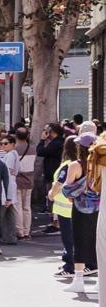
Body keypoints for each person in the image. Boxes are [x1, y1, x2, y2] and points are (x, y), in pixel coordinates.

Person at [57, 133, 99, 294]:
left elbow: (67, 190)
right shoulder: (100, 165)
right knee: (98, 242)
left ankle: (79, 279)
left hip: (80, 207)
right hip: (99, 207)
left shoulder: (76, 165)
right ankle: (100, 281)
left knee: (79, 241)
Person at [49, 136, 78, 281]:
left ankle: (69, 266)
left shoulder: (68, 165)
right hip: (77, 207)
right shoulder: (82, 163)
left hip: (65, 208)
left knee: (68, 238)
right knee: (77, 237)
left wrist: (51, 194)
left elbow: (58, 183)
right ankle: (83, 264)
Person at [36, 123, 65, 233]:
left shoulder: (56, 143)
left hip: (53, 174)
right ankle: (55, 221)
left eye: (46, 130)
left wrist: (42, 140)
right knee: (52, 199)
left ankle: (56, 223)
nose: (44, 133)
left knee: (53, 198)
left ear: (52, 132)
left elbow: (41, 152)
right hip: (52, 173)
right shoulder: (58, 142)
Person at [0, 135, 20, 244]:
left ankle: (0, 237)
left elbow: (7, 171)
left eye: (6, 143)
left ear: (13, 144)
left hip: (6, 186)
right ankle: (10, 237)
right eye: (2, 143)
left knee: (1, 213)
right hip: (11, 184)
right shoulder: (14, 154)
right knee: (10, 213)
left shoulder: (10, 155)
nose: (3, 145)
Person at [13, 126, 35, 239]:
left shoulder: (14, 150)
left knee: (18, 207)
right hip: (29, 180)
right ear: (27, 136)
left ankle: (19, 231)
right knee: (27, 207)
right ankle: (27, 231)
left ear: (16, 136)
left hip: (17, 180)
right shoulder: (33, 148)